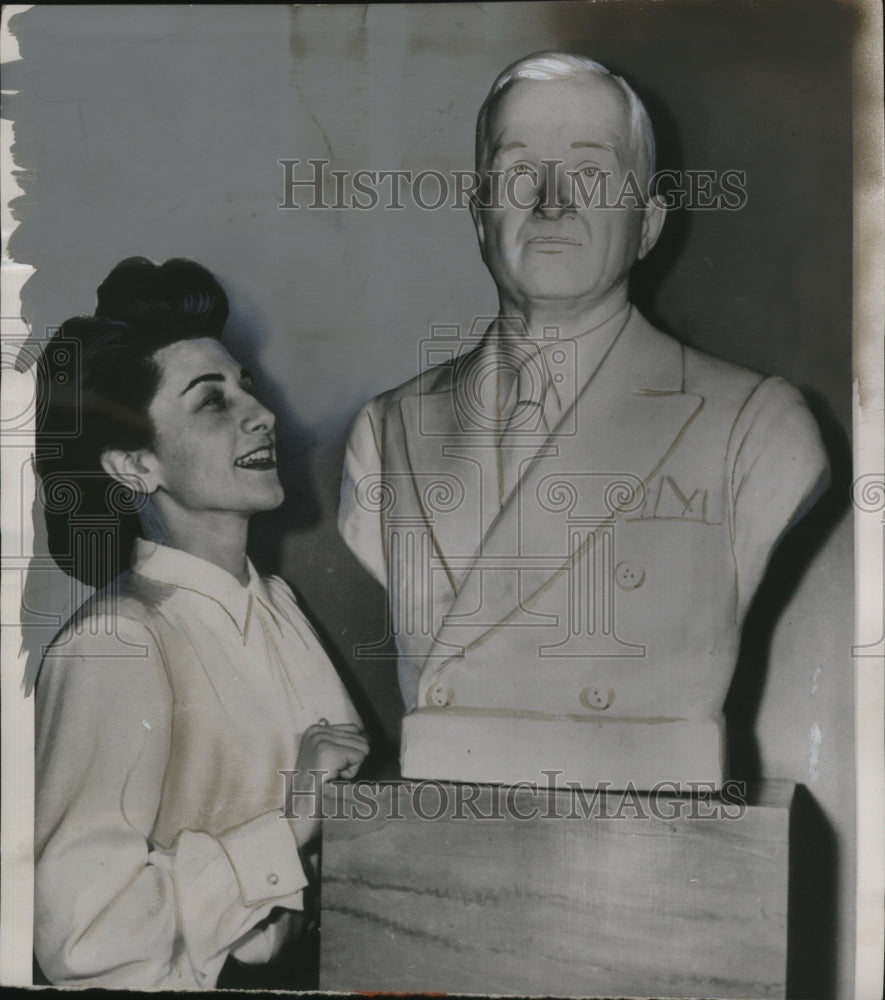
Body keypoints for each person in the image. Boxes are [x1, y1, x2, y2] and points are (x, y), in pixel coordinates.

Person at [337, 53, 829, 788]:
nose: (552, 203)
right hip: (449, 819)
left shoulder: (758, 433)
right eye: (517, 173)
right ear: (478, 215)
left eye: (591, 174)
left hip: (650, 825)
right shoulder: (386, 434)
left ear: (649, 223)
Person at [33, 257, 369, 988]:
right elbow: (82, 937)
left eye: (246, 385)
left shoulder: (277, 605)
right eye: (212, 401)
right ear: (134, 465)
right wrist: (290, 823)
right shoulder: (115, 644)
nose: (262, 413)